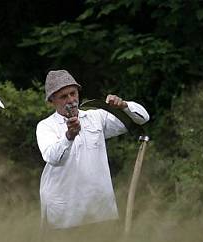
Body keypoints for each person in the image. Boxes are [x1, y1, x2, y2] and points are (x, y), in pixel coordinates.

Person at [36, 70, 150, 230]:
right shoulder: (46, 126)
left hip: (101, 210)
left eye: (73, 93)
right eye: (63, 96)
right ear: (51, 101)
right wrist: (69, 136)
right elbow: (52, 157)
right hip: (66, 214)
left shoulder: (96, 117)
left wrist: (123, 105)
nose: (71, 100)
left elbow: (142, 118)